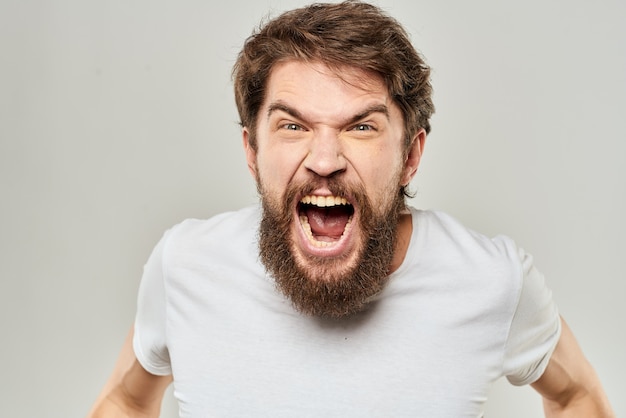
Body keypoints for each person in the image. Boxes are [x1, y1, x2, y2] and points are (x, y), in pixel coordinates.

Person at [88, 1, 614, 417]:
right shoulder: (185, 265)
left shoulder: (492, 280)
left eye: (360, 126)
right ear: (251, 152)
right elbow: (125, 401)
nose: (323, 160)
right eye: (292, 125)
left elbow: (576, 397)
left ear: (410, 156)